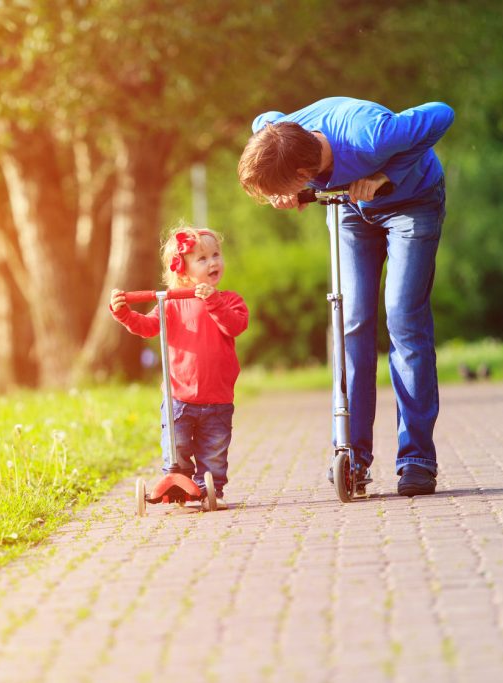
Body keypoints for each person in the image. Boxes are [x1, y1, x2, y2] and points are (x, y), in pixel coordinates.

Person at [237, 97, 454, 496]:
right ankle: (351, 454)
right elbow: (260, 120)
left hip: (412, 204)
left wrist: (387, 173)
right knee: (351, 321)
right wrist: (279, 194)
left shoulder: (369, 137)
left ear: (305, 171)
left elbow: (441, 114)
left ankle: (417, 459)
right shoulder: (278, 132)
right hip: (352, 210)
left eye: (290, 185)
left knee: (403, 318)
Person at [109, 226, 249, 506]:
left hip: (218, 397)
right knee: (177, 447)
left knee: (214, 451)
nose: (213, 262)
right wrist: (125, 313)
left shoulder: (229, 300)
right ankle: (179, 486)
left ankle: (212, 490)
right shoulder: (171, 304)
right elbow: (148, 328)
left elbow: (234, 325)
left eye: (216, 255)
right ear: (182, 270)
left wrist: (213, 301)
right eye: (202, 258)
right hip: (179, 396)